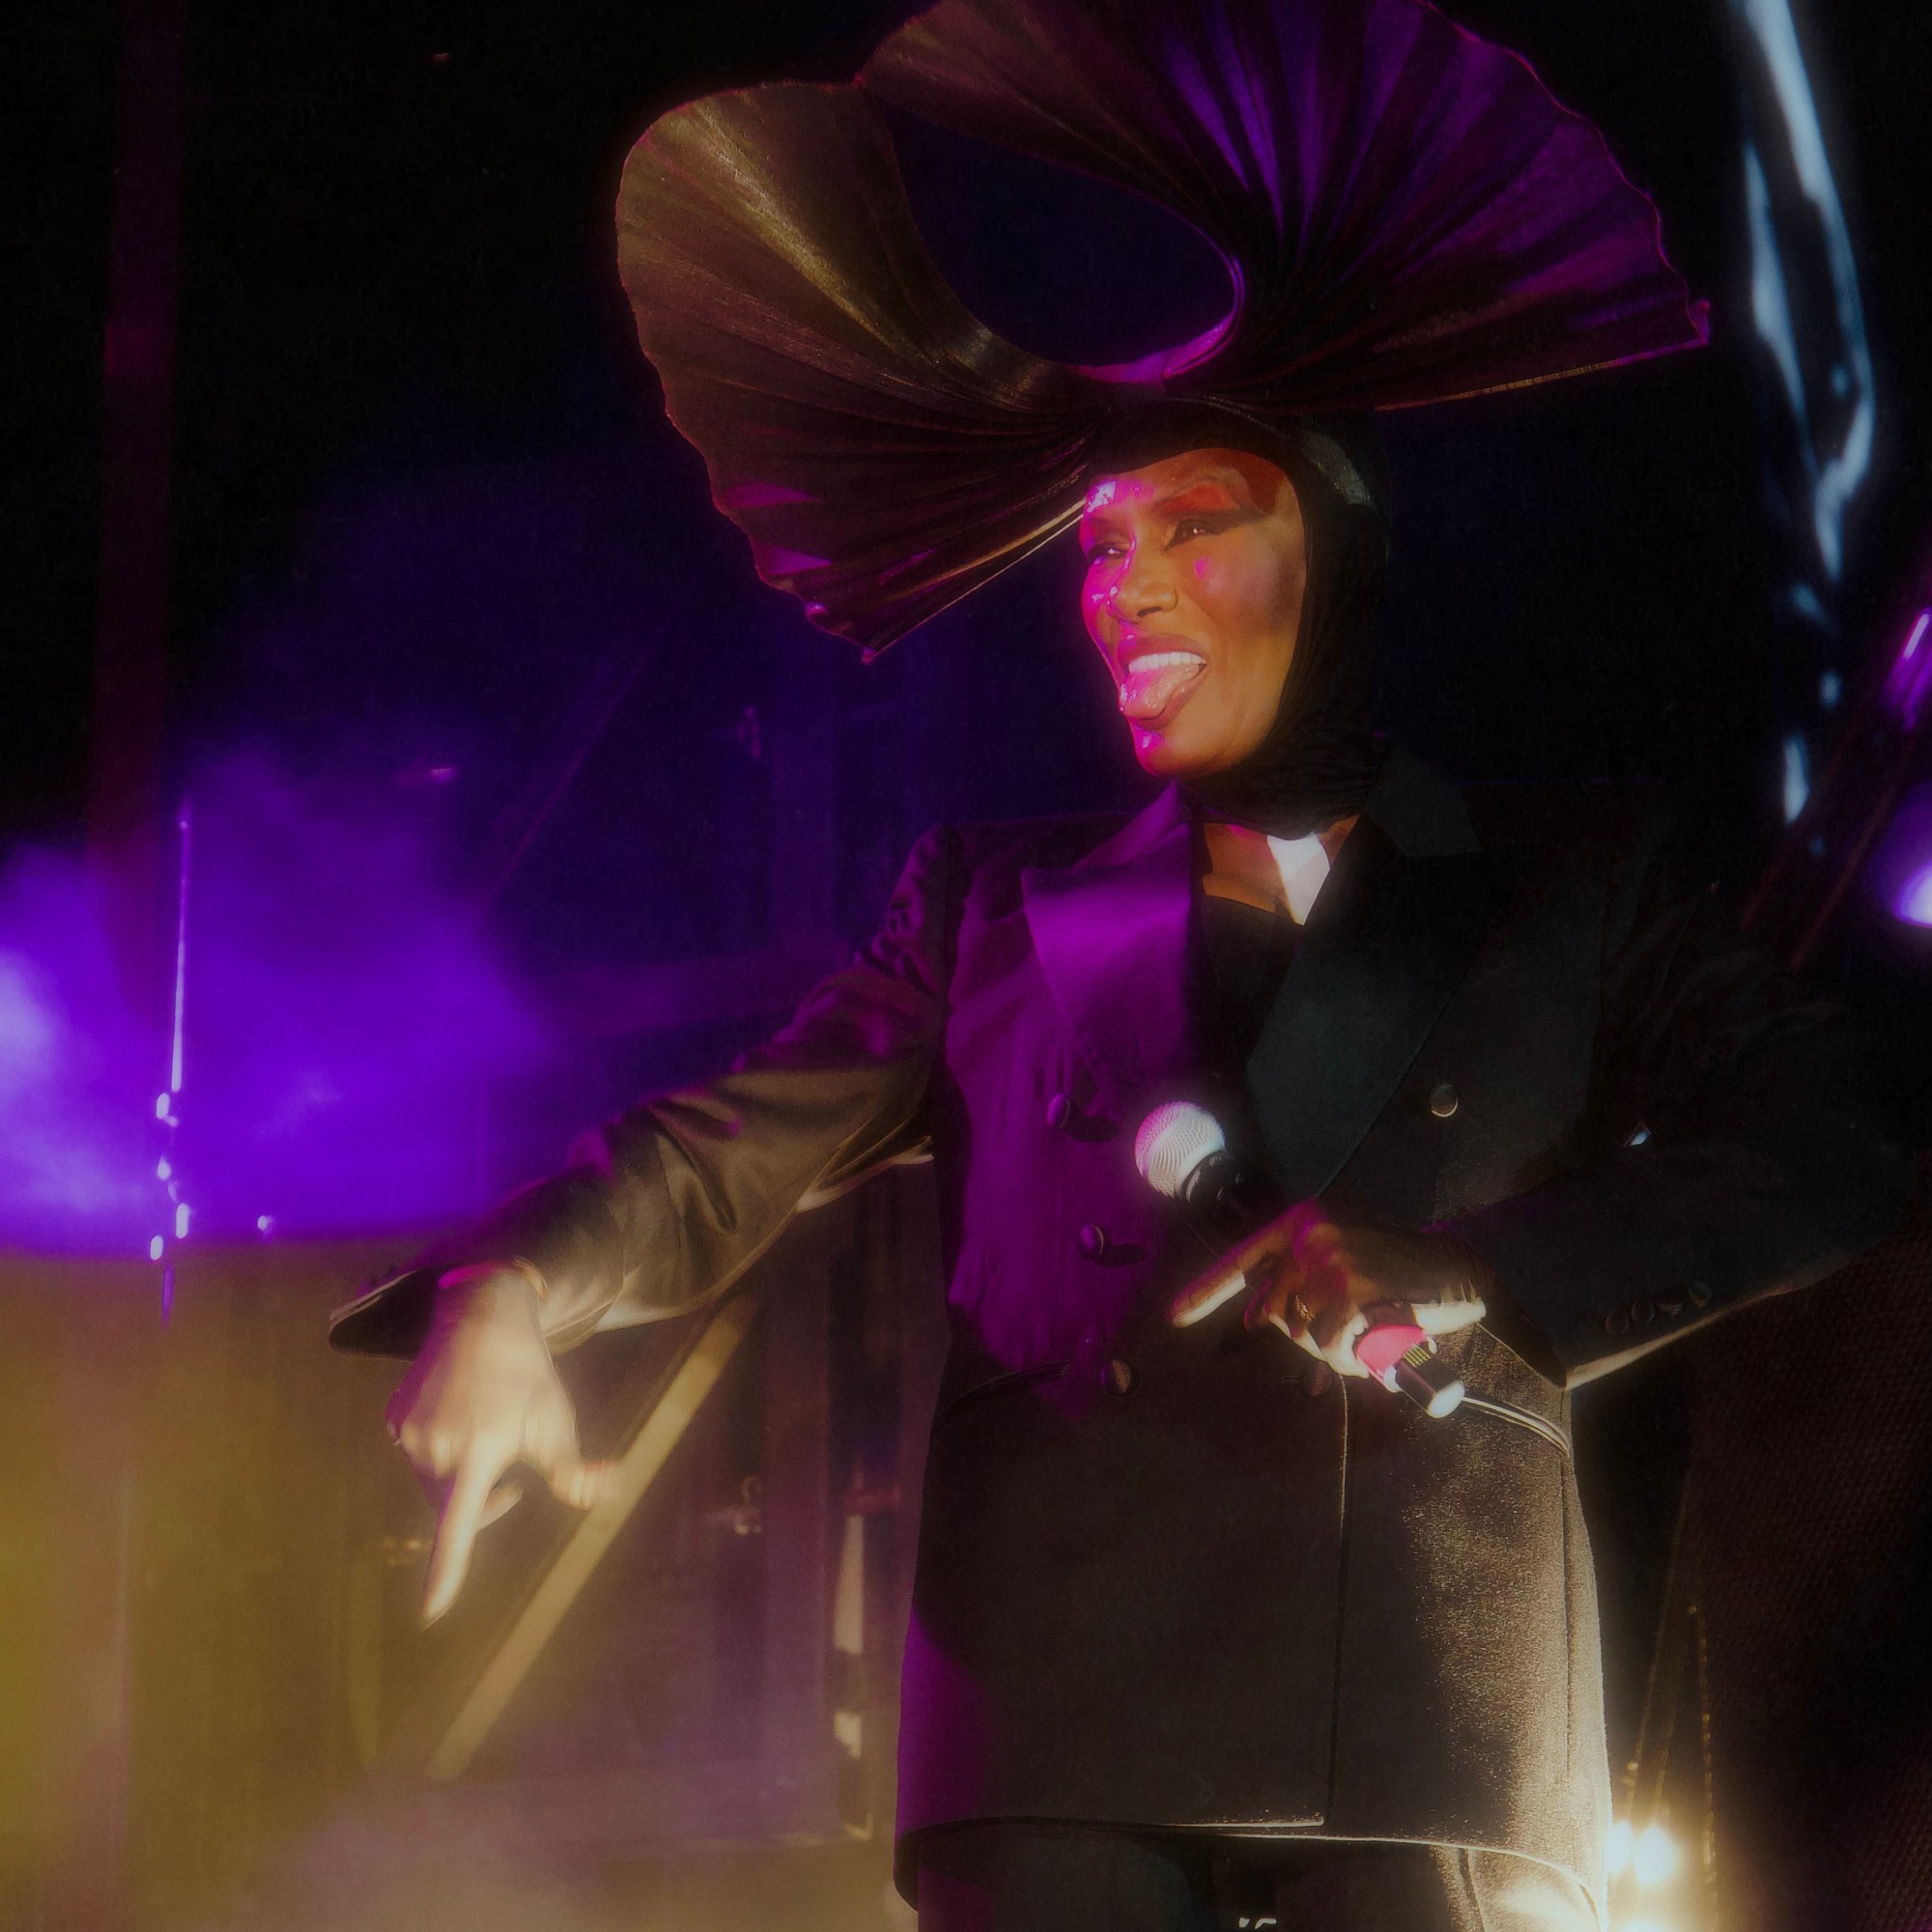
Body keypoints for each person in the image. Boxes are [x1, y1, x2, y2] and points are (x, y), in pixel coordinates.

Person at [330, 1, 1910, 1925]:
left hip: (1431, 1692)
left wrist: (1483, 1273)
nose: (1121, 586)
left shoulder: (1571, 881)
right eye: (1096, 545)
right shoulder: (985, 904)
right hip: (1060, 1697)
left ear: (1335, 558)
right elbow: (726, 1148)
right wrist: (511, 1284)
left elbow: (1833, 1143)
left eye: (1192, 525)